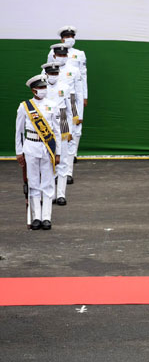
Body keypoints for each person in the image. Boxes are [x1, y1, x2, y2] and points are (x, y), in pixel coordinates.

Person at [15, 75, 61, 230]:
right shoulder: (25, 106)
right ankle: (36, 217)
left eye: (44, 87)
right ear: (33, 90)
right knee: (33, 183)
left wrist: (58, 152)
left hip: (47, 147)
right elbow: (19, 131)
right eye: (41, 88)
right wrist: (18, 152)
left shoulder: (52, 105)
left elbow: (57, 131)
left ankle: (47, 217)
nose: (43, 90)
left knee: (47, 183)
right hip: (31, 146)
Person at [42, 62, 76, 206]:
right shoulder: (41, 88)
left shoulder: (65, 87)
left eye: (56, 73)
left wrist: (70, 131)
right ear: (46, 74)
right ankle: (51, 194)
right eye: (51, 73)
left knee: (62, 162)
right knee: (47, 162)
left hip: (62, 124)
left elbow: (71, 108)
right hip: (46, 126)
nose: (53, 76)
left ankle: (61, 194)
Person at [50, 44, 84, 184]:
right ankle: (55, 173)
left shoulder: (74, 70)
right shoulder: (47, 72)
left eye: (64, 55)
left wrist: (79, 114)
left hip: (69, 107)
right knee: (54, 140)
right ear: (54, 56)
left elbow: (79, 93)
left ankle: (68, 172)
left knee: (69, 139)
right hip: (53, 109)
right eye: (59, 55)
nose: (62, 57)